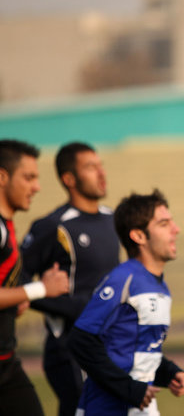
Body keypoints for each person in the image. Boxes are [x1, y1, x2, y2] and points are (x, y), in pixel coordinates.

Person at [67, 190, 184, 415]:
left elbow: (141, 350)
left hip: (141, 408)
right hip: (107, 408)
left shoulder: (160, 287)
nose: (176, 229)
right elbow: (81, 340)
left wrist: (171, 373)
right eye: (164, 224)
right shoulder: (123, 280)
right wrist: (129, 389)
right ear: (139, 236)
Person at [20, 142, 120, 416]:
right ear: (69, 179)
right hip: (69, 348)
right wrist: (72, 306)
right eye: (90, 167)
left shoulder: (113, 219)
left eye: (101, 166)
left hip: (109, 344)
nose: (101, 173)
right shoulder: (54, 225)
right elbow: (16, 281)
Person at [0, 139, 69, 416]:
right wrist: (40, 289)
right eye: (28, 177)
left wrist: (17, 300)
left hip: (6, 364)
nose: (37, 187)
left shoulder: (7, 225)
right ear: (2, 177)